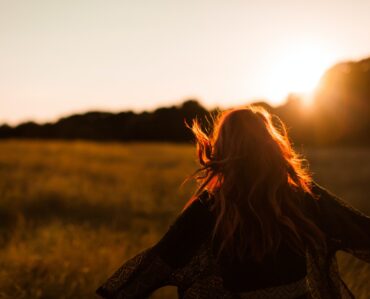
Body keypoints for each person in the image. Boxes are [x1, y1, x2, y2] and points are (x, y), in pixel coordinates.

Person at [96, 105, 370, 299]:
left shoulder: (210, 206)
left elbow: (157, 264)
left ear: (223, 148)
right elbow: (361, 232)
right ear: (271, 144)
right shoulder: (302, 195)